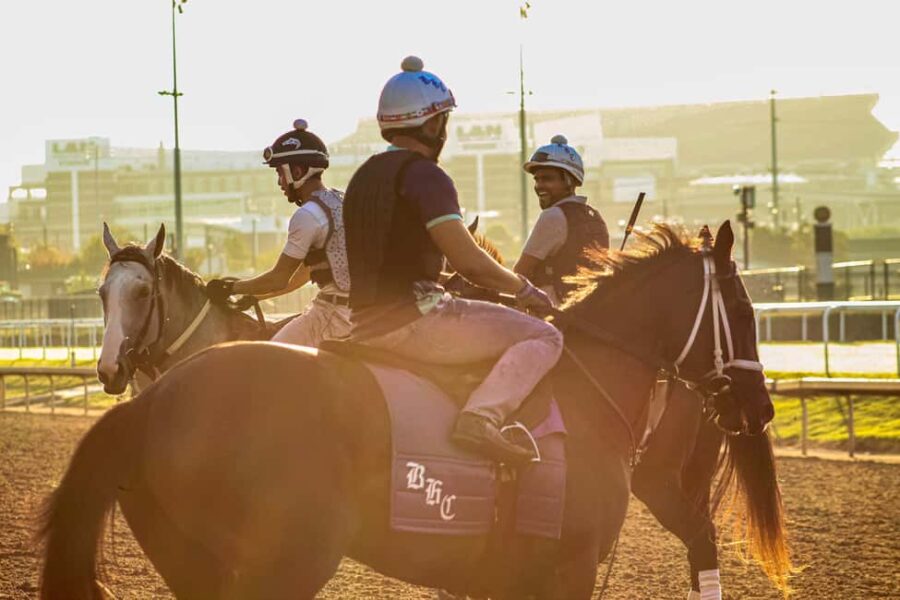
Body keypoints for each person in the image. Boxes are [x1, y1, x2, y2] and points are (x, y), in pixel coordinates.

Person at [342, 56, 563, 463]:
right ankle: (480, 418)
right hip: (414, 320)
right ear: (431, 125)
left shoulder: (362, 176)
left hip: (360, 324)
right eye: (443, 121)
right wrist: (526, 291)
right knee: (546, 337)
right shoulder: (426, 175)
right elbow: (470, 263)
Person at [206, 119, 351, 347]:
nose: (280, 183)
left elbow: (278, 278)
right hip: (357, 313)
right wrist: (254, 296)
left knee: (267, 356)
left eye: (281, 173)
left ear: (298, 171)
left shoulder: (307, 215)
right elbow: (300, 276)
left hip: (330, 314)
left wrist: (229, 288)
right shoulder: (340, 199)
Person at [515, 135, 609, 306]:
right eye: (537, 179)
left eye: (548, 179)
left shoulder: (553, 216)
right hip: (590, 313)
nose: (539, 185)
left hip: (550, 317)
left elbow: (520, 272)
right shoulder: (595, 217)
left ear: (569, 181)